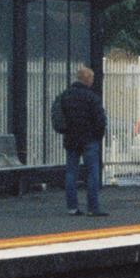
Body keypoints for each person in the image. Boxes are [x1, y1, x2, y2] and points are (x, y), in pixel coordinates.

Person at [58, 64, 108, 216]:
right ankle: (93, 208)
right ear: (88, 79)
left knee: (71, 172)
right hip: (89, 138)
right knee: (92, 172)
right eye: (92, 78)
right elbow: (100, 119)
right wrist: (98, 136)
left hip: (71, 139)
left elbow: (60, 116)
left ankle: (72, 207)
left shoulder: (66, 95)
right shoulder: (92, 97)